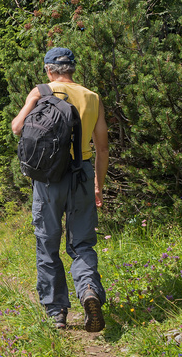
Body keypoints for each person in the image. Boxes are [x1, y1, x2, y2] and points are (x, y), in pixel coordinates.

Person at [11, 47, 109, 332]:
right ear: (73, 69)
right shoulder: (92, 97)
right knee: (82, 244)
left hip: (48, 178)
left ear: (49, 69)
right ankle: (88, 290)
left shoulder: (41, 91)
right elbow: (102, 147)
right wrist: (98, 185)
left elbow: (17, 127)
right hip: (82, 174)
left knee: (48, 243)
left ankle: (57, 313)